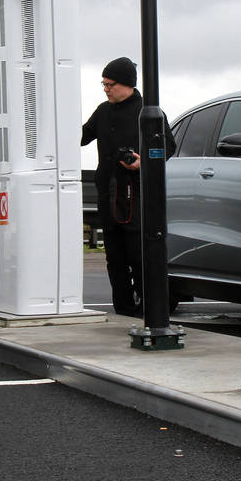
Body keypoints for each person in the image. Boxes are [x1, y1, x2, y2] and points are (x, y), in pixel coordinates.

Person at [81, 57, 175, 316]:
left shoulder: (148, 111)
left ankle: (149, 311)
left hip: (137, 197)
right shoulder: (102, 110)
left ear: (127, 84)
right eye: (103, 84)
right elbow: (80, 136)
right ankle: (122, 311)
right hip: (108, 196)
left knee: (138, 257)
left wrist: (142, 162)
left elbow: (169, 147)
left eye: (110, 84)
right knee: (115, 260)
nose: (106, 88)